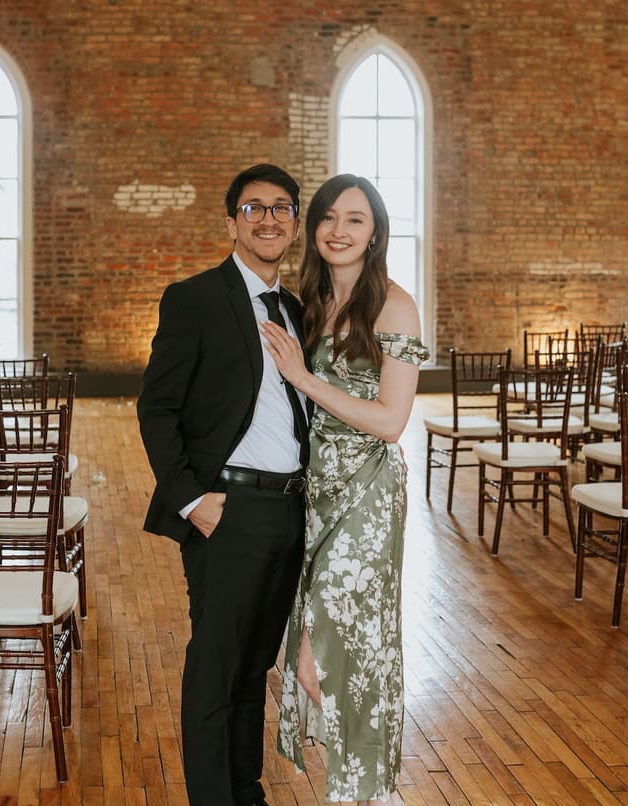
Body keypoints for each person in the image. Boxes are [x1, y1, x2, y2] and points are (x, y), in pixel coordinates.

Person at [137, 163, 312, 806]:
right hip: (227, 510)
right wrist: (192, 500)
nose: (269, 218)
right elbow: (156, 408)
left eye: (281, 208)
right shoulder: (197, 298)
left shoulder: (295, 309)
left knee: (253, 669)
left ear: (294, 222)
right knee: (214, 673)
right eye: (253, 208)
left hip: (289, 511)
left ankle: (247, 792)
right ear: (232, 220)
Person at [261, 174, 429, 805]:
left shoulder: (395, 304)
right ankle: (361, 784)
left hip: (367, 493)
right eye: (329, 218)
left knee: (332, 650)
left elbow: (391, 421)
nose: (339, 230)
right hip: (315, 489)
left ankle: (365, 789)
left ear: (376, 232)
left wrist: (303, 378)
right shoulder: (306, 300)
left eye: (355, 220)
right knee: (325, 647)